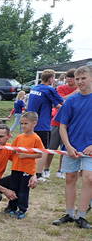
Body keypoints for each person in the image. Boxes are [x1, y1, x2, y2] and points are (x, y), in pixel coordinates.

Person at [52, 65, 92, 229]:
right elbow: (62, 126)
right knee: (70, 179)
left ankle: (81, 216)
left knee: (89, 178)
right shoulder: (71, 101)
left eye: (84, 78)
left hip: (89, 149)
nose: (80, 82)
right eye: (78, 79)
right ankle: (69, 213)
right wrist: (67, 146)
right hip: (71, 148)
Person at [3, 112, 43, 219]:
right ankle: (11, 207)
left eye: (26, 123)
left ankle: (22, 209)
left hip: (27, 170)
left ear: (34, 123)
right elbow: (12, 150)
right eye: (22, 124)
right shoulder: (19, 137)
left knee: (23, 190)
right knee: (14, 188)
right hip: (16, 168)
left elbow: (40, 154)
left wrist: (26, 155)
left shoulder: (36, 138)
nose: (23, 126)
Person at [40, 69, 77, 180]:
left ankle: (61, 170)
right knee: (51, 147)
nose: (69, 79)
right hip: (57, 122)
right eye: (68, 77)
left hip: (71, 124)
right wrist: (75, 93)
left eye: (72, 77)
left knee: (65, 149)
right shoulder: (60, 88)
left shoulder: (81, 90)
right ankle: (46, 169)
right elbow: (62, 100)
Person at [27, 69, 63, 178]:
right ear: (51, 78)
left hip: (30, 123)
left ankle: (29, 172)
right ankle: (38, 174)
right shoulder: (49, 89)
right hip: (43, 125)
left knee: (31, 149)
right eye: (54, 78)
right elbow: (61, 104)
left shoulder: (34, 88)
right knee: (43, 150)